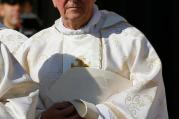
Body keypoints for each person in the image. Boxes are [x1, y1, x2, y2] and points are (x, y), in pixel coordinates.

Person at [16, 0, 168, 119]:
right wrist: (42, 117)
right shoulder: (33, 49)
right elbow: (15, 103)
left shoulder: (129, 41)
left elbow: (149, 92)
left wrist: (98, 114)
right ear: (53, 1)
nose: (73, 0)